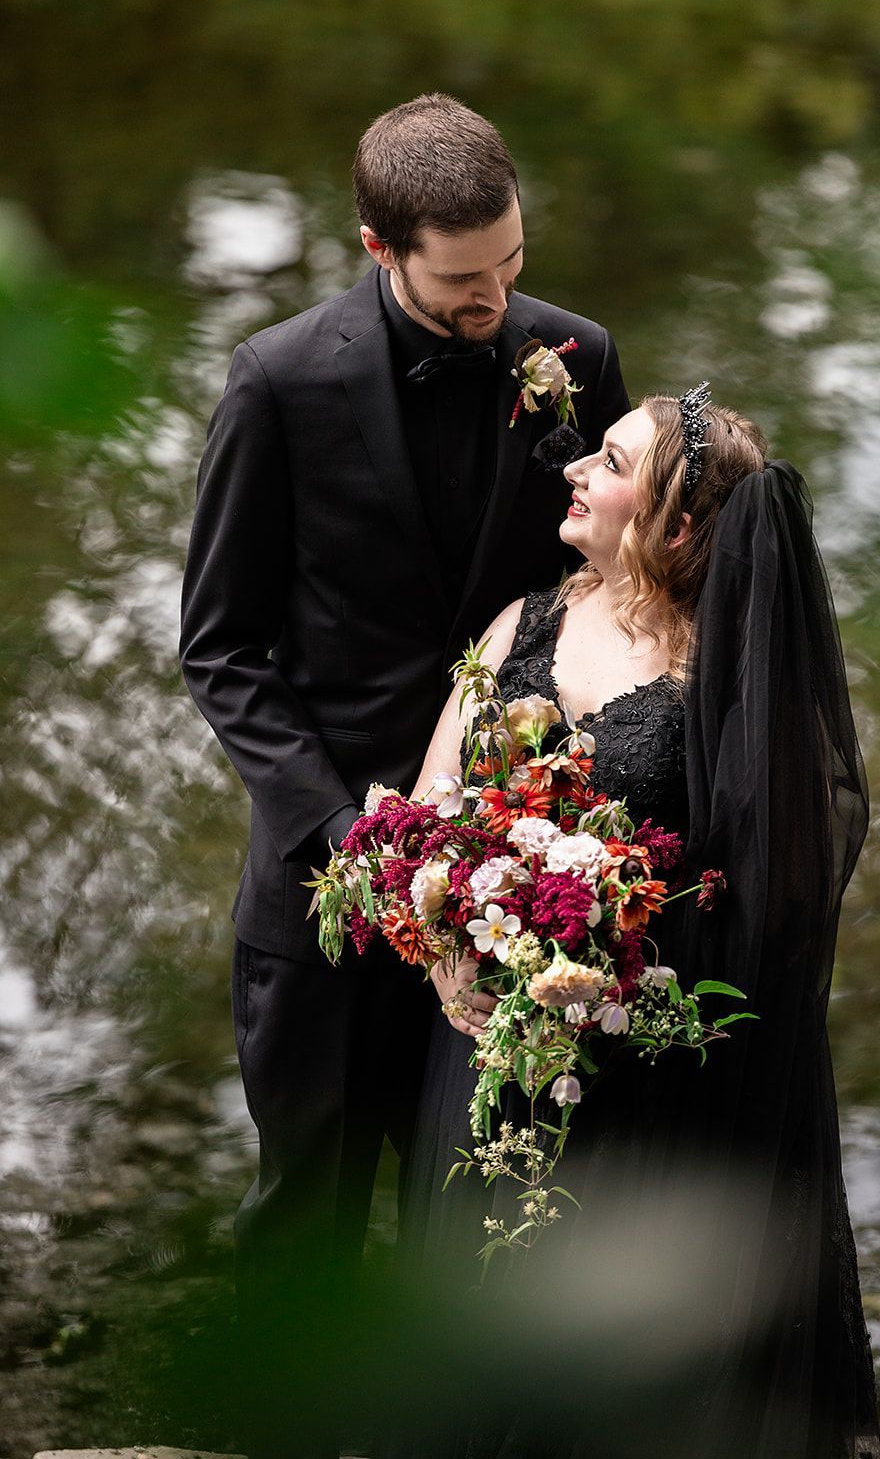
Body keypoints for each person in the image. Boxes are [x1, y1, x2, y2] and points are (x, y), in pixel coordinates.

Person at [178, 93, 630, 1459]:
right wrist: (340, 820)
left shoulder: (575, 354)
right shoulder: (277, 380)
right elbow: (221, 649)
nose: (497, 298)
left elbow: (609, 591)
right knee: (305, 1218)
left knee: (485, 1214)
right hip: (323, 895)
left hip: (511, 893)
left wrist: (560, 816)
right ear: (378, 245)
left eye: (508, 262)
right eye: (459, 279)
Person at [389, 392, 880, 1458]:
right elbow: (425, 809)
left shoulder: (727, 680)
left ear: (671, 526)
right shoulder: (519, 624)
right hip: (482, 1041)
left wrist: (612, 969)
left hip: (639, 1084)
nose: (572, 468)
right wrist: (445, 954)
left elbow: (769, 904)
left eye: (607, 461)